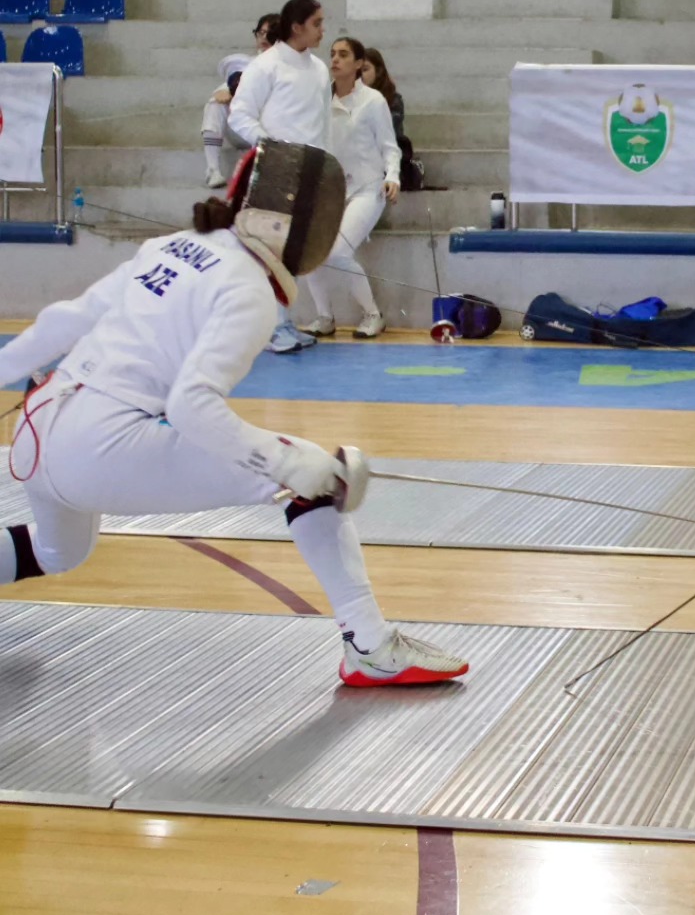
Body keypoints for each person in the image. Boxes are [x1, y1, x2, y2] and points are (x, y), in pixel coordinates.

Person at [0, 139, 468, 688]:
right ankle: (370, 645)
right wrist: (286, 461)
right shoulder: (248, 289)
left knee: (60, 551)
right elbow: (190, 406)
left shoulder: (171, 245)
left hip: (34, 431)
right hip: (99, 448)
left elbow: (64, 319)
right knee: (312, 477)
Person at [228, 0, 331, 354]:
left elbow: (323, 123)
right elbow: (239, 115)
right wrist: (272, 147)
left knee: (291, 254)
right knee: (267, 252)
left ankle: (284, 321)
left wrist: (325, 167)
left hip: (309, 171)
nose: (322, 30)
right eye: (317, 23)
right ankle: (270, 328)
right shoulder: (265, 66)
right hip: (273, 171)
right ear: (296, 26)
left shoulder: (318, 69)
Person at [299, 38, 399, 340]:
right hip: (329, 189)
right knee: (309, 252)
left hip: (368, 188)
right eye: (332, 54)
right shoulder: (319, 102)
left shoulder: (373, 101)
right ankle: (325, 317)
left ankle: (373, 315)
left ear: (358, 64)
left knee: (339, 251)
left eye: (343, 55)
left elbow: (389, 147)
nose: (335, 60)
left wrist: (392, 176)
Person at [201, 13, 278, 188]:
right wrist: (227, 90)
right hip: (242, 130)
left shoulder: (285, 66)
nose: (264, 38)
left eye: (270, 33)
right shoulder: (247, 64)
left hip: (272, 132)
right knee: (215, 104)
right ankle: (212, 169)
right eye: (261, 32)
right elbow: (231, 84)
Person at [359, 47, 419, 190]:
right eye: (357, 70)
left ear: (378, 71)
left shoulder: (393, 100)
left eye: (365, 69)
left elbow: (384, 134)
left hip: (383, 155)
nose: (360, 75)